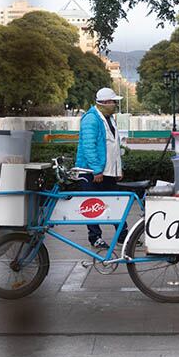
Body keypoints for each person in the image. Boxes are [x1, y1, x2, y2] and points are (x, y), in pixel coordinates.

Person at [75, 86, 124, 249]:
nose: (115, 105)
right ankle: (95, 237)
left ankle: (123, 236)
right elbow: (89, 146)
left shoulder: (109, 118)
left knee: (116, 203)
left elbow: (113, 145)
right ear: (104, 103)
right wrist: (96, 170)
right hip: (92, 172)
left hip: (108, 171)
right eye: (113, 102)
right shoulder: (91, 119)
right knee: (92, 206)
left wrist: (118, 169)